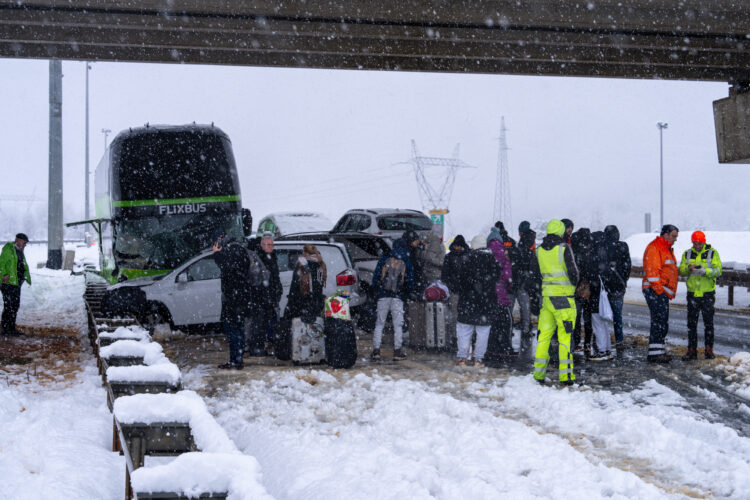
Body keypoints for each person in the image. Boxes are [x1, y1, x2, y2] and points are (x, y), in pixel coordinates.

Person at [530, 220, 579, 385]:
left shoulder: (539, 251)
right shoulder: (564, 248)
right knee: (565, 338)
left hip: (547, 300)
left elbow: (535, 277)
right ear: (561, 232)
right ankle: (566, 377)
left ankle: (539, 374)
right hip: (564, 300)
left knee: (544, 337)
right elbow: (574, 274)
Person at [454, 235, 501, 367]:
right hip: (486, 303)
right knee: (483, 331)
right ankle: (478, 359)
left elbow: (460, 281)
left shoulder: (466, 260)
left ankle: (462, 357)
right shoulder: (493, 261)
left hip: (467, 302)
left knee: (464, 330)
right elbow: (496, 279)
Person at [679, 230, 722, 360]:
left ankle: (709, 350)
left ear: (704, 242)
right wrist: (688, 268)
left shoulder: (712, 253)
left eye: (699, 243)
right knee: (691, 324)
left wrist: (705, 271)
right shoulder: (687, 254)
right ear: (692, 242)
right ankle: (691, 351)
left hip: (707, 293)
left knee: (708, 323)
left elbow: (718, 270)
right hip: (692, 293)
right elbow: (681, 270)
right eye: (695, 243)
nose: (697, 245)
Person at [212, 230, 251, 369]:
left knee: (232, 328)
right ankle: (238, 358)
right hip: (240, 296)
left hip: (233, 298)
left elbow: (227, 268)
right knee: (239, 328)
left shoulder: (231, 250)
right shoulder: (239, 248)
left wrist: (217, 254)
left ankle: (236, 361)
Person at [370, 238, 414, 361]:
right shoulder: (407, 261)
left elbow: (376, 278)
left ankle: (376, 351)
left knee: (379, 324)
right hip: (398, 298)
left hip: (383, 296)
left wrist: (377, 292)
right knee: (398, 325)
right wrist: (405, 294)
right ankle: (397, 351)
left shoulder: (385, 259)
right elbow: (410, 282)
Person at [642, 224, 679, 363]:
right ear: (666, 234)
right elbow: (652, 272)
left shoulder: (664, 248)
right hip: (655, 290)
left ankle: (657, 351)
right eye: (674, 236)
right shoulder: (655, 247)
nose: (675, 239)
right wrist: (659, 290)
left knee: (661, 322)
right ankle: (656, 354)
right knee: (659, 322)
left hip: (658, 290)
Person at [246, 232, 282, 356]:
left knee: (265, 323)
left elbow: (275, 278)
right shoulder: (258, 258)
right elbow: (256, 281)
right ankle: (256, 348)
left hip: (270, 297)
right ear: (261, 245)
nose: (270, 247)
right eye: (267, 244)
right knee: (258, 324)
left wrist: (276, 293)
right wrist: (264, 296)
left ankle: (261, 346)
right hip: (260, 298)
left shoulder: (272, 257)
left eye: (271, 245)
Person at [598, 225, 631, 347]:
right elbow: (628, 265)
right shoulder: (622, 246)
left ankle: (602, 340)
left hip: (603, 286)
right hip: (618, 285)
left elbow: (598, 265)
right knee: (617, 315)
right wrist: (623, 279)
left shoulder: (600, 246)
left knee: (602, 314)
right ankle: (619, 339)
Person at [486, 227, 515, 357]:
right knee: (507, 322)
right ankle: (505, 347)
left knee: (492, 323)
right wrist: (509, 287)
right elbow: (508, 275)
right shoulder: (504, 253)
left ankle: (492, 347)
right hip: (501, 294)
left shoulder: (486, 253)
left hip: (490, 295)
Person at [570, 228, 599, 357]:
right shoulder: (590, 252)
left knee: (576, 317)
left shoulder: (573, 252)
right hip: (587, 289)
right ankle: (587, 343)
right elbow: (593, 271)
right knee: (588, 319)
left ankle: (576, 343)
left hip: (575, 288)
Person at [284, 244, 327, 324]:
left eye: (303, 252)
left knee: (300, 327)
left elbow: (295, 285)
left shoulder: (303, 264)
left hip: (302, 302)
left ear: (306, 253)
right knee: (313, 327)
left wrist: (292, 300)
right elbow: (318, 286)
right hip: (315, 302)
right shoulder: (320, 264)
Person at [0, 233, 30, 336]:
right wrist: (3, 275)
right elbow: (1, 263)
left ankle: (11, 328)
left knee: (15, 306)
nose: (25, 245)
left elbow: (22, 264)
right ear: (18, 240)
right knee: (8, 306)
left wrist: (25, 276)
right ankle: (4, 329)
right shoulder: (9, 249)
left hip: (16, 283)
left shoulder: (20, 251)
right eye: (24, 242)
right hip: (8, 283)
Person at [513, 221, 536, 337]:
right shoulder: (531, 239)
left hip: (524, 276)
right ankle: (526, 325)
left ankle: (526, 327)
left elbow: (524, 258)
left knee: (524, 302)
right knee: (526, 303)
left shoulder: (525, 241)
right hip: (529, 275)